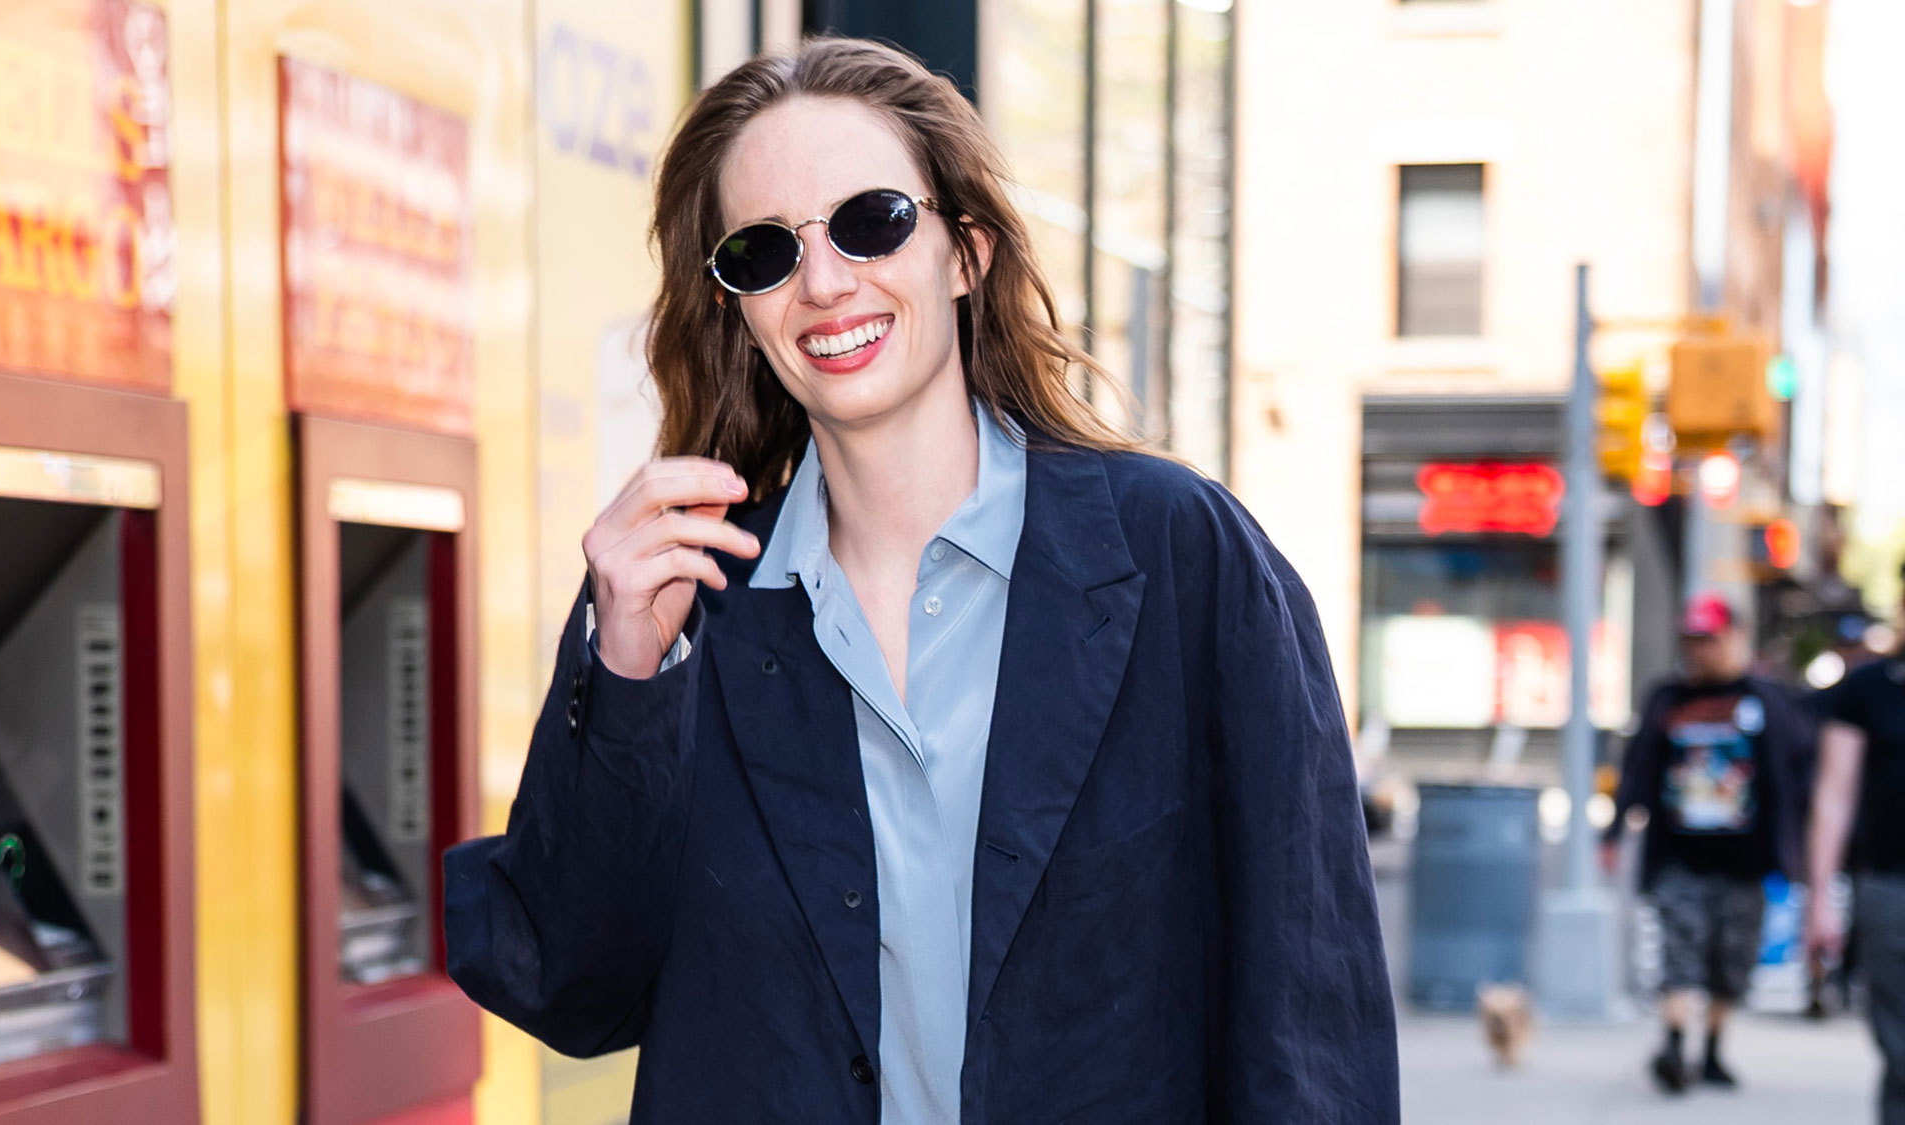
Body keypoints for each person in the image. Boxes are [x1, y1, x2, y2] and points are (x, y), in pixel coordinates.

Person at [441, 36, 1398, 1124]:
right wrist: (625, 670)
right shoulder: (683, 606)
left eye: (870, 222)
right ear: (732, 308)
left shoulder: (1181, 556)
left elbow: (1309, 1013)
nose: (824, 281)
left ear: (965, 251)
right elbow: (570, 980)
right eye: (762, 252)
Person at [1601, 591, 1810, 1095]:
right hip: (1678, 854)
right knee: (1680, 951)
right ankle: (1673, 1045)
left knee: (1730, 960)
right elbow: (1639, 768)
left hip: (1745, 859)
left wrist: (1796, 852)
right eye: (1691, 641)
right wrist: (1614, 831)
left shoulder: (1766, 699)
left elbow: (1797, 772)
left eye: (1709, 641)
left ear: (1735, 638)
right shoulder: (1668, 699)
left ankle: (1713, 1050)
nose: (1698, 651)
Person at [1806, 579, 1905, 1125]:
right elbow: (1833, 797)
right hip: (1889, 888)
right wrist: (1820, 898)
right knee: (1901, 1050)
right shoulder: (1866, 689)